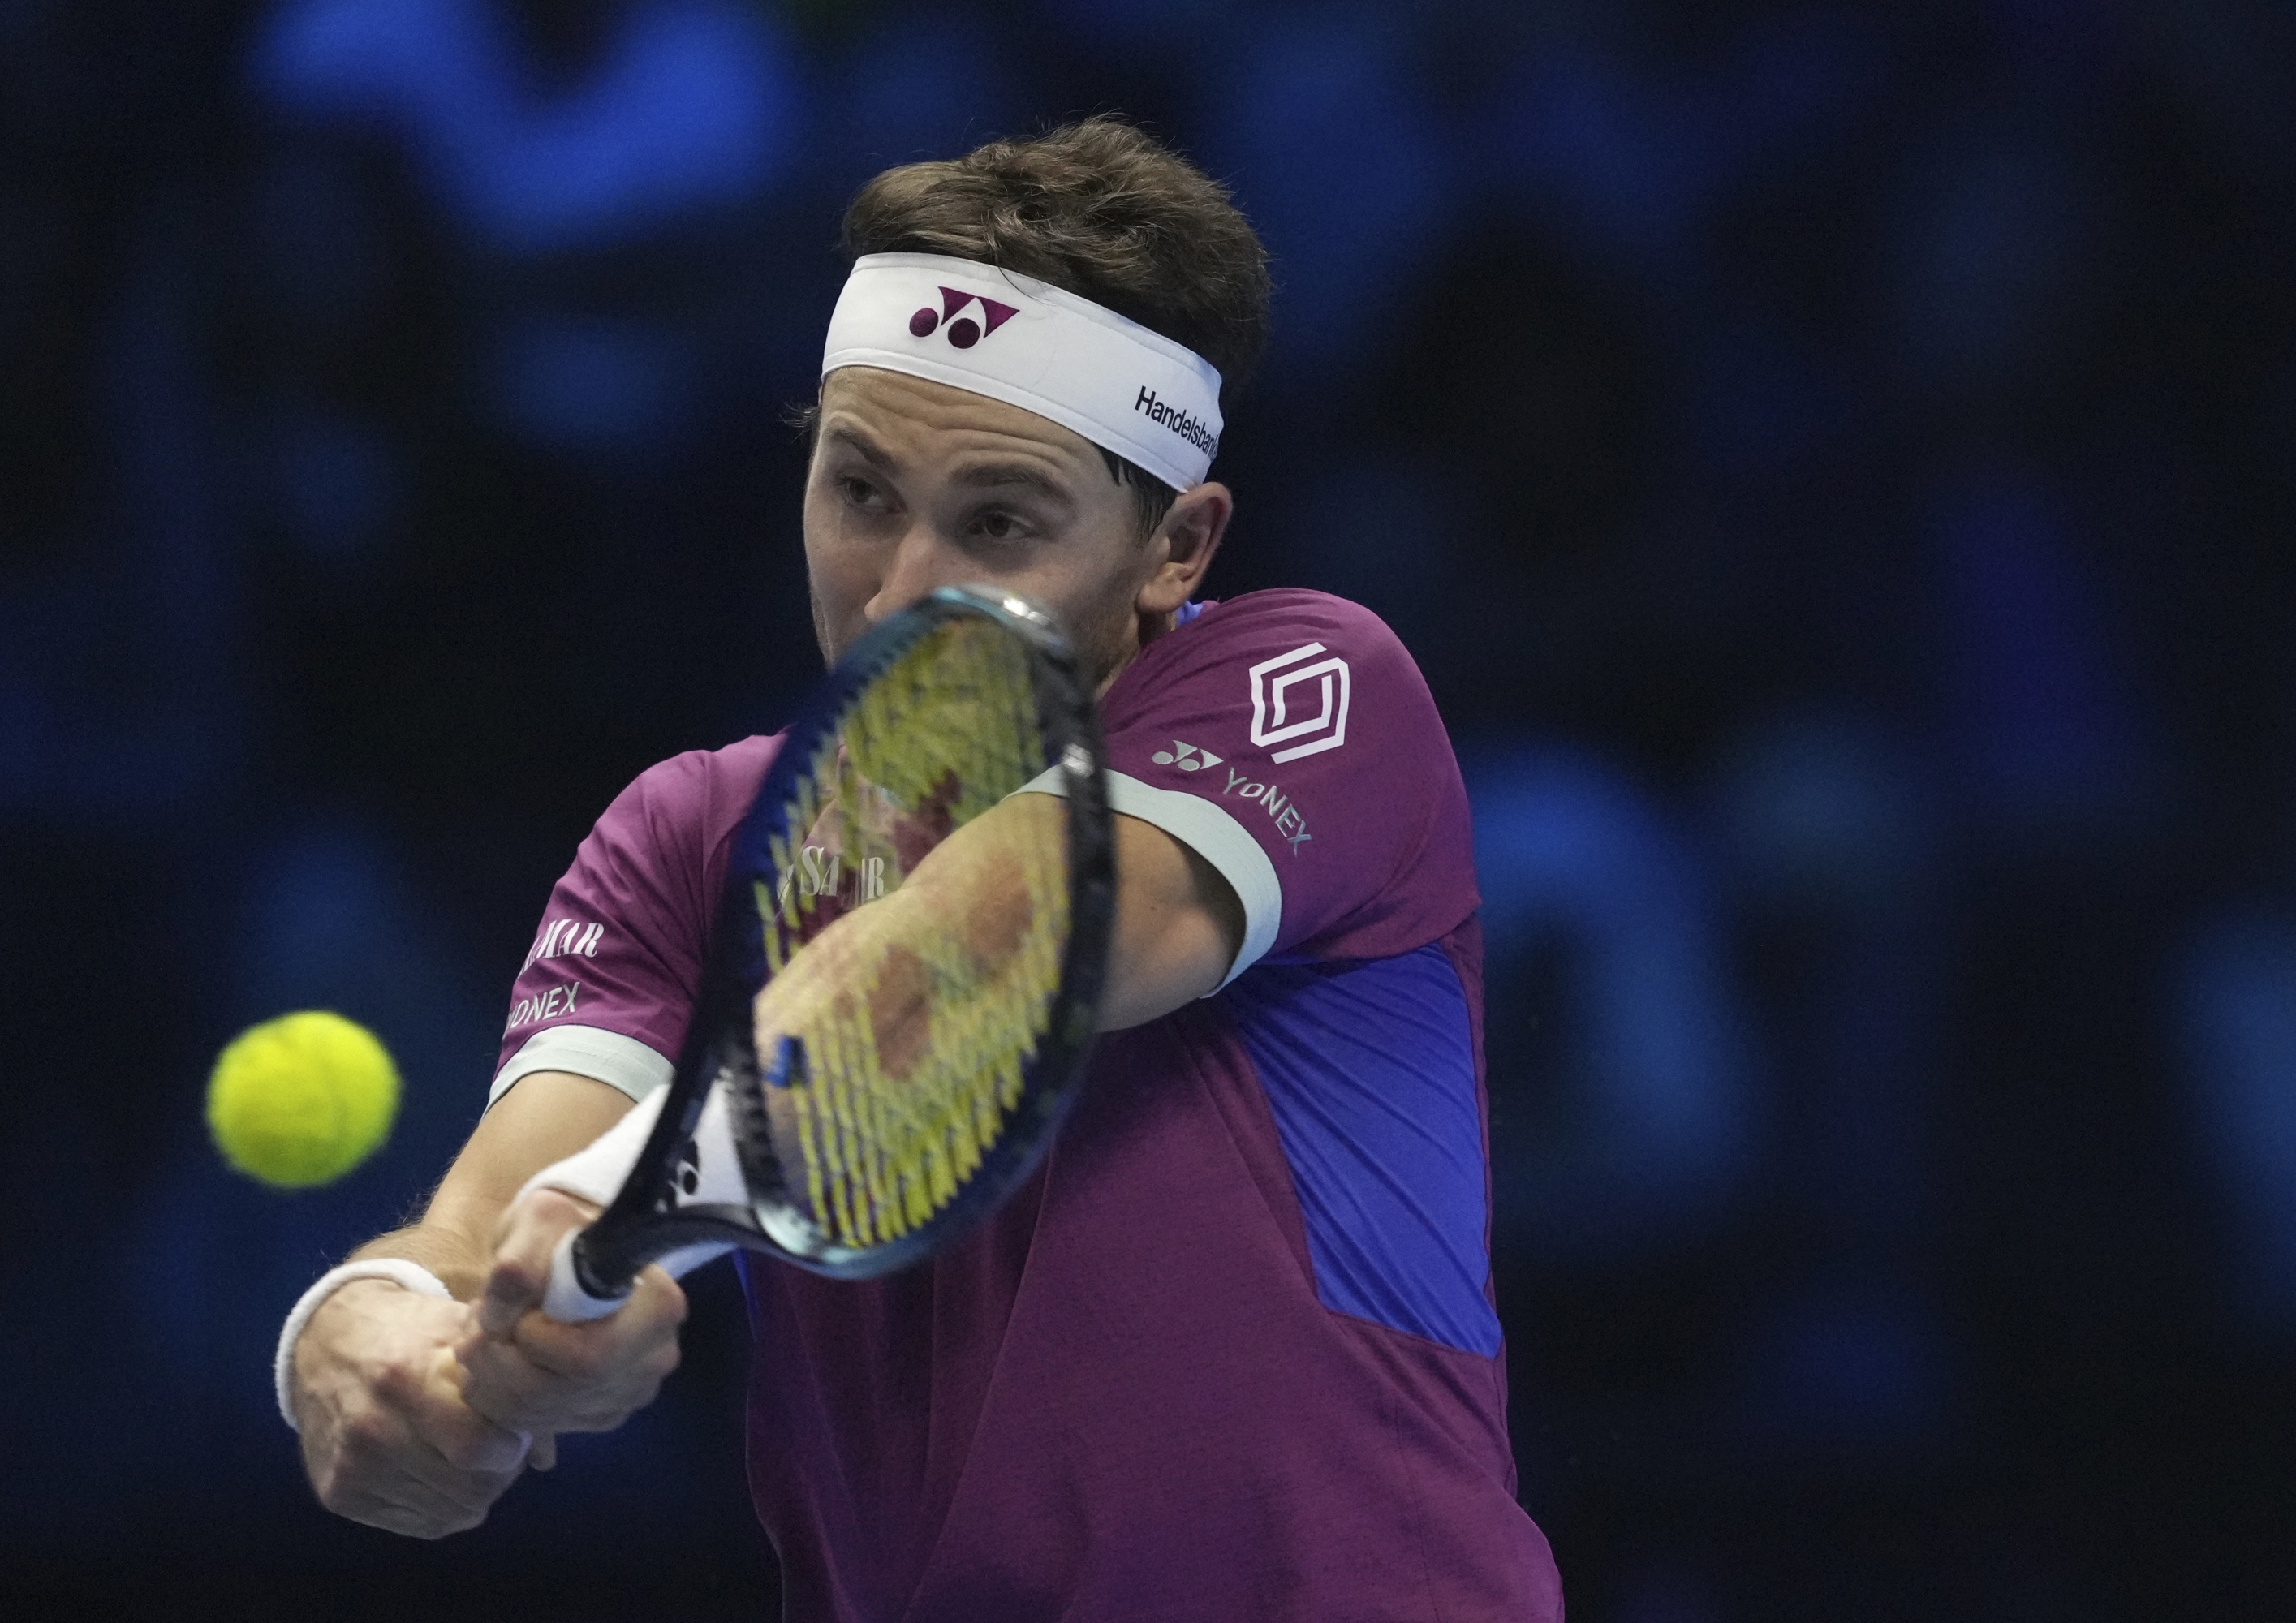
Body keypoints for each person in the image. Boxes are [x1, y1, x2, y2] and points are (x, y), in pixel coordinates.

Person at [278, 117, 1563, 1621]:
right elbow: (470, 1241)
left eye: (1000, 524)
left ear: (1176, 547)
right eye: (863, 490)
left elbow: (986, 959)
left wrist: (612, 1205)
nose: (900, 592)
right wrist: (376, 1340)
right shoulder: (690, 839)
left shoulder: (1318, 688)